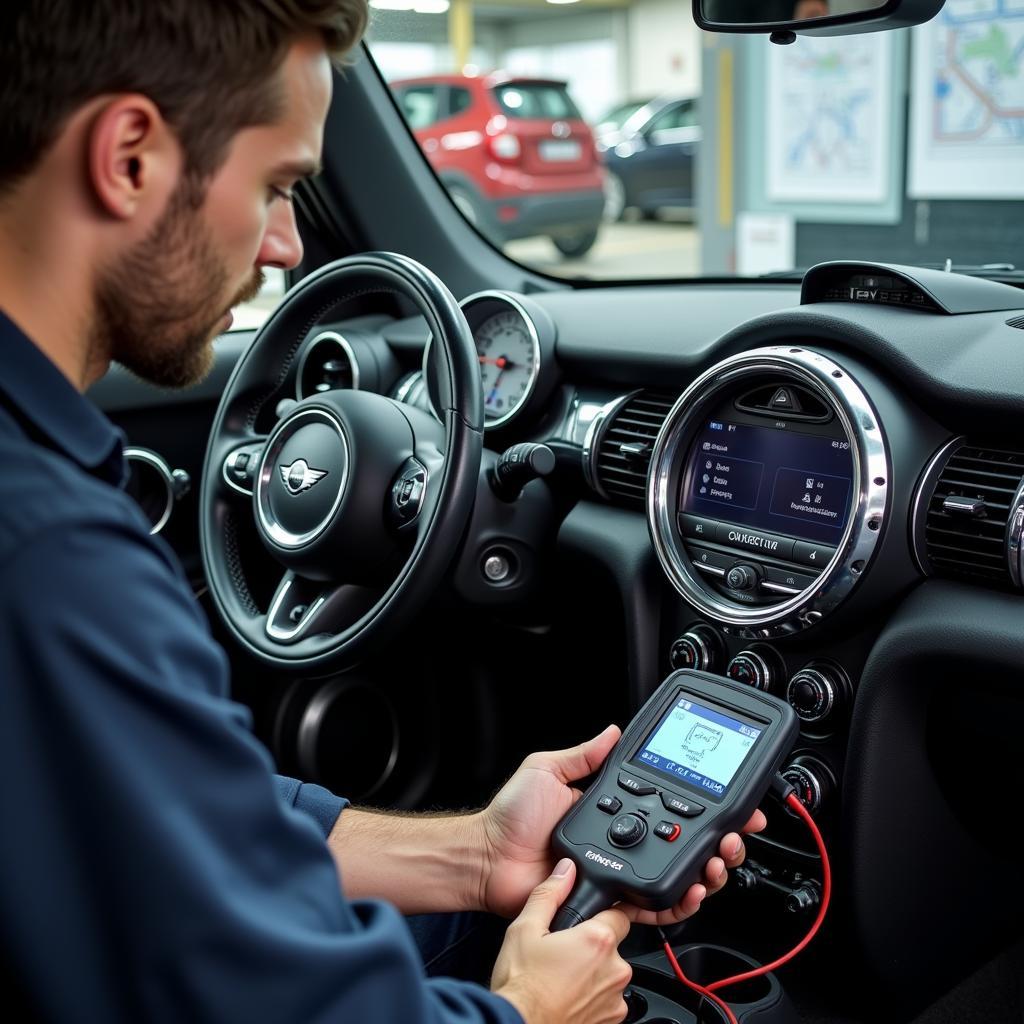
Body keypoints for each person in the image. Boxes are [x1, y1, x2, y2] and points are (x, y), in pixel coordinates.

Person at [0, 2, 765, 1021]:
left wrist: (475, 852)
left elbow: (181, 820)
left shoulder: (43, 498)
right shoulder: (49, 559)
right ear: (129, 155)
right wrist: (527, 1012)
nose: (283, 244)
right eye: (276, 186)